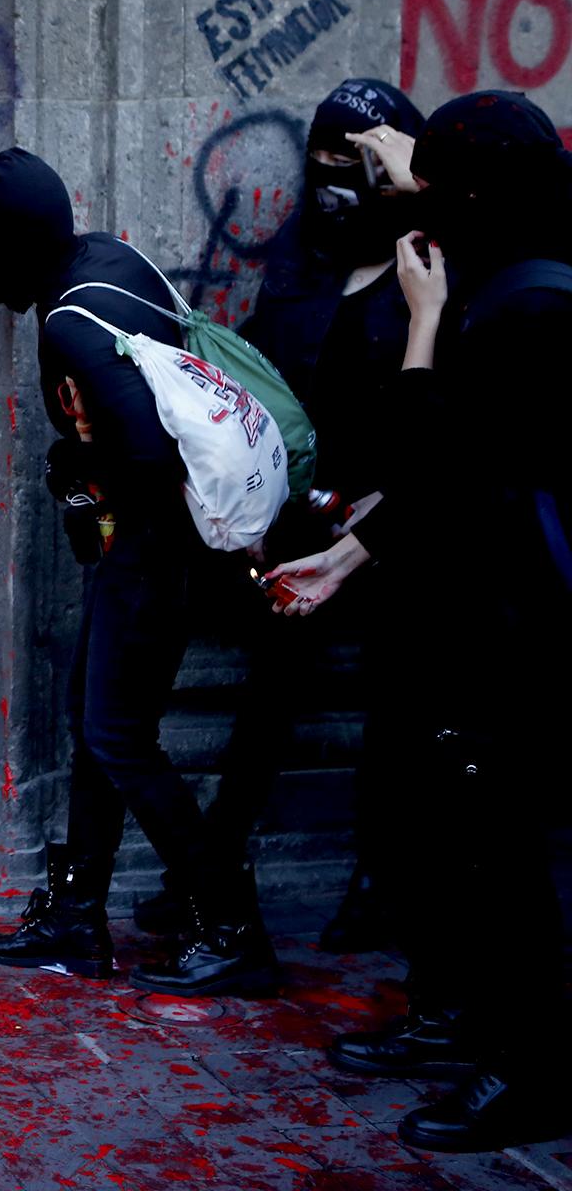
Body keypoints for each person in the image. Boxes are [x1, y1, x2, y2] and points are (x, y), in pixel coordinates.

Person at [0, 148, 277, 997]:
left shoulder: (69, 324)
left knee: (119, 738)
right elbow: (13, 280)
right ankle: (78, 919)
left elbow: (148, 457)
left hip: (152, 552)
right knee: (97, 727)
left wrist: (81, 453)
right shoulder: (101, 259)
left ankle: (229, 926)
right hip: (161, 550)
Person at [265, 90, 572, 1152]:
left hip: (512, 628)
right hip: (474, 609)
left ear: (477, 191)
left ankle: (526, 1072)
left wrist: (424, 332)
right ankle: (479, 1035)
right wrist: (346, 560)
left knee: (509, 857)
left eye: (437, 186)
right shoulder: (518, 258)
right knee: (461, 839)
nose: (416, 205)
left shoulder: (526, 306)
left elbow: (435, 465)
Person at [130, 80, 425, 949]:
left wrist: (384, 503)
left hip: (398, 522)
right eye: (326, 157)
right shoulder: (302, 265)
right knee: (268, 689)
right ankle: (214, 870)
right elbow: (264, 383)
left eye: (362, 161)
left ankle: (377, 882)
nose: (338, 180)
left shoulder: (423, 268)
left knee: (401, 692)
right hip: (300, 518)